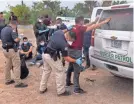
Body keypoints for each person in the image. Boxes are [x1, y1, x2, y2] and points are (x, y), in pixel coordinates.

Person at [66, 16, 111, 94]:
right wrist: (104, 22)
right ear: (80, 22)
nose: (83, 23)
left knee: (70, 67)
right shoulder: (80, 28)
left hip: (70, 50)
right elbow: (92, 27)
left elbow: (86, 26)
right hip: (77, 51)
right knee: (77, 70)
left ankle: (67, 82)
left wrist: (94, 21)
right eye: (83, 21)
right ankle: (76, 89)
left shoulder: (74, 27)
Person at [39, 28, 83, 96]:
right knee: (60, 72)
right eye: (71, 40)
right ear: (68, 37)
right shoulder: (64, 44)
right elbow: (66, 58)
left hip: (45, 53)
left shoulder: (59, 32)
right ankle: (61, 91)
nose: (71, 42)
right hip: (51, 56)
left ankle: (42, 88)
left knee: (46, 71)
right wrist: (76, 60)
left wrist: (68, 28)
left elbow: (64, 30)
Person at [1, 21, 28, 88]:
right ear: (14, 25)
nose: (16, 27)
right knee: (16, 66)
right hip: (12, 50)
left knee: (7, 66)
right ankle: (18, 82)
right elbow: (16, 40)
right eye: (16, 26)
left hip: (5, 50)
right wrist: (20, 37)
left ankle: (8, 80)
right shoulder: (12, 30)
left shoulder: (3, 30)